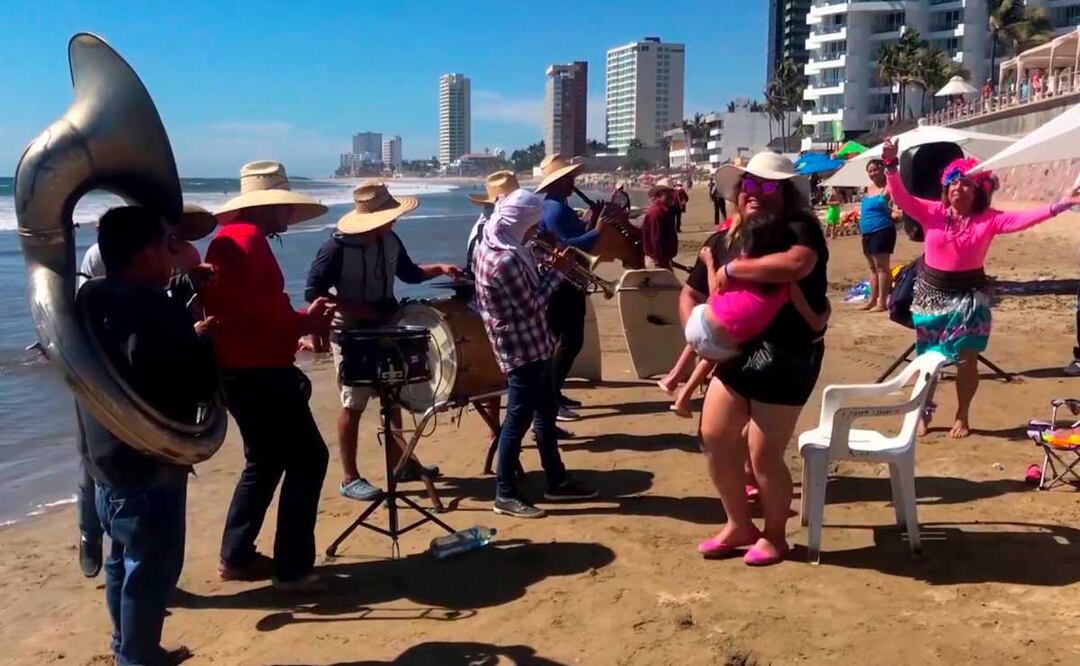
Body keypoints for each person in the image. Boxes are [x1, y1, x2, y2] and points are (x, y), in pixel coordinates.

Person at [76, 206, 217, 665]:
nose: (172, 257)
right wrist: (201, 343)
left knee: (122, 560)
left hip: (104, 459)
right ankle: (135, 659)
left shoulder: (86, 298)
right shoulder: (157, 308)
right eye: (166, 247)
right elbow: (190, 383)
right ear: (144, 253)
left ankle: (129, 648)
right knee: (152, 569)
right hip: (149, 464)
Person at [882, 138, 1080, 438]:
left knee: (966, 360)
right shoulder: (930, 212)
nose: (958, 188)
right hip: (931, 296)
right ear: (945, 188)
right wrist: (890, 166)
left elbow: (1023, 219)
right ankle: (922, 411)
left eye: (966, 184)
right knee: (927, 359)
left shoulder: (988, 220)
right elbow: (901, 196)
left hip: (969, 300)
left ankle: (962, 414)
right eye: (953, 183)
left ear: (979, 191)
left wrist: (1059, 205)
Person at [691, 151, 830, 566]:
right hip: (738, 349)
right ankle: (739, 524)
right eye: (748, 185)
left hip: (788, 351)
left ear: (785, 193)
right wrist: (701, 335)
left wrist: (734, 272)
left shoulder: (799, 226)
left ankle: (774, 535)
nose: (756, 192)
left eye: (768, 186)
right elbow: (695, 292)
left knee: (763, 454)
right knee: (715, 436)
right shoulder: (730, 235)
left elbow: (797, 264)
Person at [202, 161, 335, 591]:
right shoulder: (246, 239)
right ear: (272, 206)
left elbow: (245, 307)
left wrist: (296, 323)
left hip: (244, 368)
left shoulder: (230, 239)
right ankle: (292, 568)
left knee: (265, 461)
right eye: (283, 207)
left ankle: (237, 556)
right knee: (308, 459)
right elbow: (260, 307)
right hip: (259, 371)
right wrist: (304, 322)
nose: (287, 217)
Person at [305, 181, 460, 501]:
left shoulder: (390, 239)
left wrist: (440, 268)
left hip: (387, 325)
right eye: (389, 216)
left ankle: (401, 464)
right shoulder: (335, 249)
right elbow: (313, 291)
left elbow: (410, 273)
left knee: (394, 394)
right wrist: (350, 306)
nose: (394, 221)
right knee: (354, 402)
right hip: (350, 332)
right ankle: (350, 478)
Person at [472, 188, 598, 518]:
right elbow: (533, 306)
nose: (536, 233)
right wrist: (559, 271)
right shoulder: (507, 258)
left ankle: (555, 479)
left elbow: (527, 291)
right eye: (533, 226)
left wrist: (547, 266)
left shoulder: (499, 240)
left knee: (544, 410)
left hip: (531, 340)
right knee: (518, 418)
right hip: (520, 345)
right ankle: (505, 492)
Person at [672, 212, 827, 418]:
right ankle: (684, 392)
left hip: (697, 325)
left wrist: (711, 264)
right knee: (730, 343)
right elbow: (814, 322)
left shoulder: (737, 269)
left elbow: (713, 293)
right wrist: (826, 310)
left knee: (713, 323)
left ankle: (674, 376)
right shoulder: (786, 285)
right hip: (717, 340)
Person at [534, 154, 599, 421]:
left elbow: (570, 234)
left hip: (567, 281)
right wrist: (598, 230)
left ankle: (555, 393)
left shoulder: (557, 206)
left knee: (567, 340)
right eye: (569, 178)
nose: (573, 182)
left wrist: (589, 221)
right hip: (562, 283)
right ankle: (552, 397)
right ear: (558, 182)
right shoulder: (555, 208)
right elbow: (569, 244)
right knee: (570, 340)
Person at [859, 159, 897, 312]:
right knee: (872, 268)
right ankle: (872, 300)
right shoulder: (868, 188)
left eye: (875, 169)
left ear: (882, 170)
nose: (873, 173)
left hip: (882, 230)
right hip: (866, 232)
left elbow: (896, 207)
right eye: (870, 170)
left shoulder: (889, 187)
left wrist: (895, 213)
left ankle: (882, 302)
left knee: (882, 268)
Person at [641, 177, 679, 269]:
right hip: (657, 262)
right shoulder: (656, 213)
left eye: (671, 193)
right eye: (668, 193)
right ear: (659, 194)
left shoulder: (665, 211)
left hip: (662, 260)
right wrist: (660, 261)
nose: (671, 196)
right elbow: (656, 240)